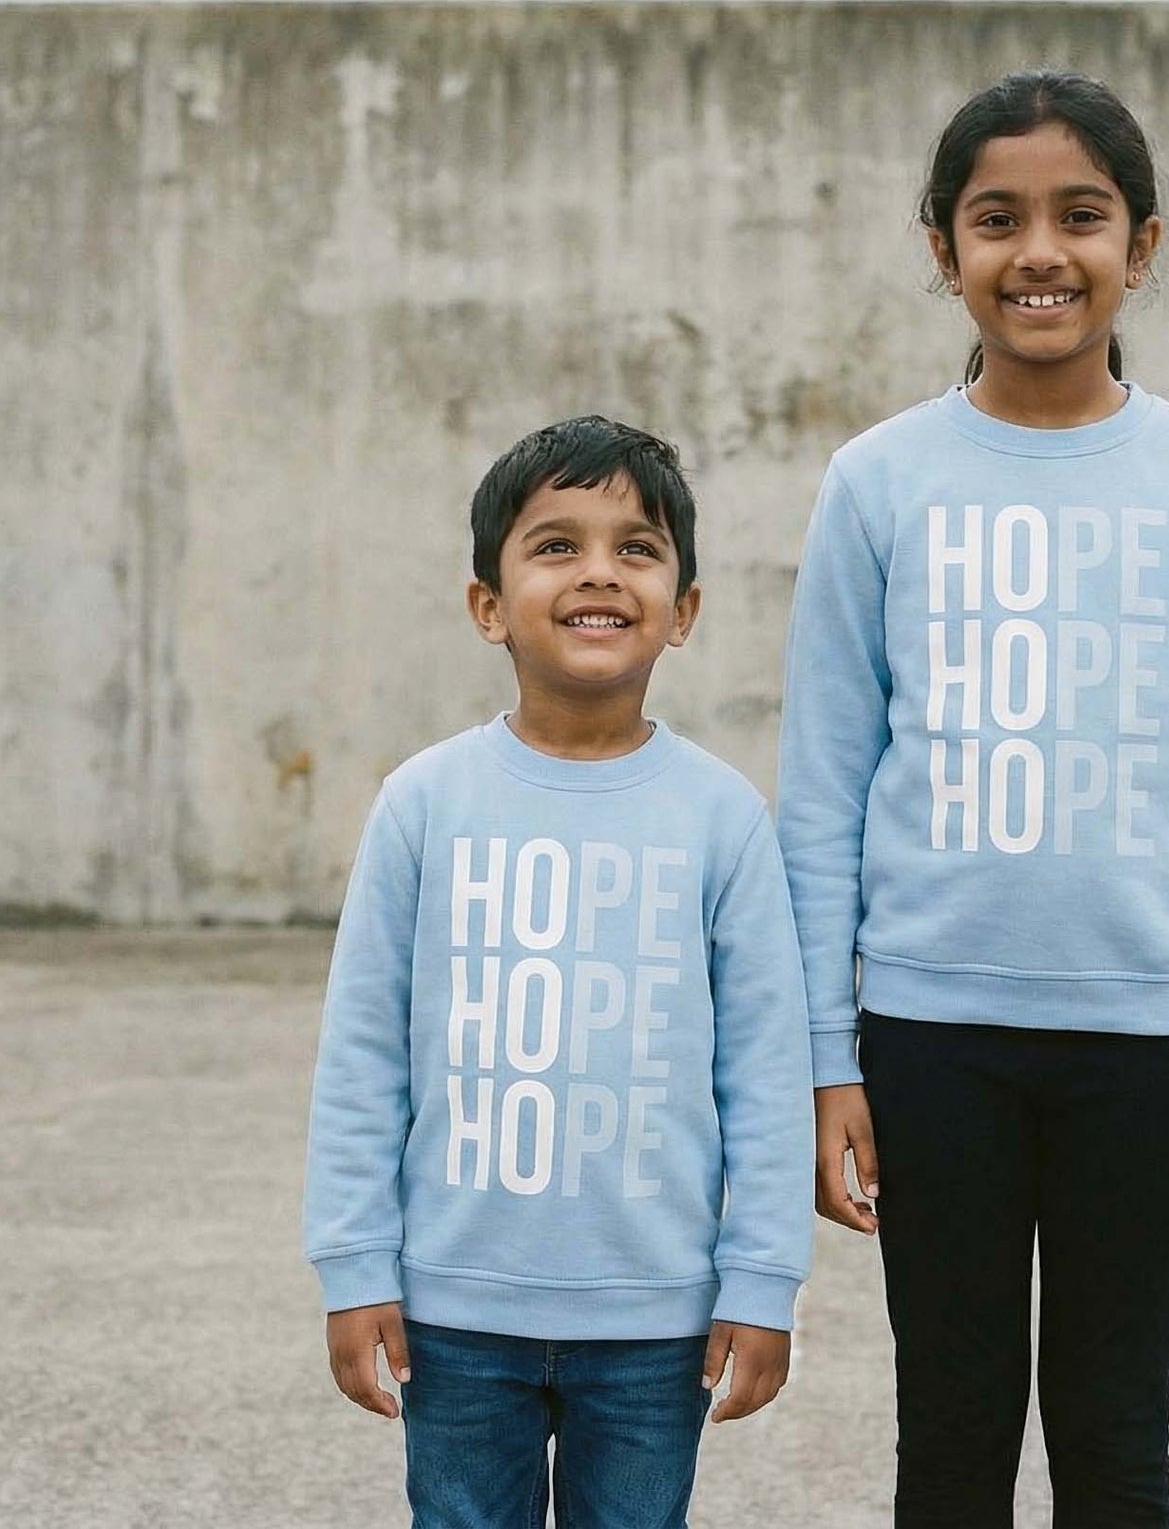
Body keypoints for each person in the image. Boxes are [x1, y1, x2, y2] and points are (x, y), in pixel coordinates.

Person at [776, 69, 1169, 1528]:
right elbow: (820, 792)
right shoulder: (877, 482)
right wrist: (824, 1057)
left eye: (1080, 216)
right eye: (995, 218)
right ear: (940, 247)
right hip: (926, 1039)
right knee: (950, 1437)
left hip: (1144, 1038)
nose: (1038, 253)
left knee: (1112, 1432)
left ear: (1140, 245)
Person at [304, 415, 813, 1529]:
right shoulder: (423, 803)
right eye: (554, 545)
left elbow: (767, 1075)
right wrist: (355, 1264)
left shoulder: (721, 816)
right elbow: (362, 1054)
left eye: (637, 548)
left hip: (654, 1321)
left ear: (683, 609)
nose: (598, 571)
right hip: (453, 1311)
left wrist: (762, 1280)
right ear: (487, 604)